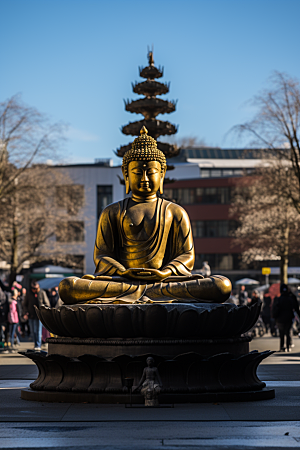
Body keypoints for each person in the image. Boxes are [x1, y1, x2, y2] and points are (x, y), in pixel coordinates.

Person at [59, 127, 232, 305]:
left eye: (150, 172)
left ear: (162, 174)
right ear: (126, 175)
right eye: (137, 172)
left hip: (163, 282)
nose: (144, 178)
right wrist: (123, 271)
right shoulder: (112, 212)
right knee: (69, 286)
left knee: (221, 285)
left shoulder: (175, 212)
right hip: (123, 282)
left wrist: (165, 272)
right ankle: (148, 295)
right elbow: (102, 255)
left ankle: (147, 294)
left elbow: (187, 255)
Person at [23, 281, 50, 351]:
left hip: (39, 316)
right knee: (33, 331)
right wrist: (26, 312)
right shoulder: (29, 294)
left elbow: (47, 304)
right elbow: (24, 304)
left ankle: (38, 345)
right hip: (31, 315)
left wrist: (43, 309)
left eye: (36, 288)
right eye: (34, 288)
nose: (35, 290)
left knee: (38, 331)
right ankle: (36, 344)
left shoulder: (42, 293)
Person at [272, 283, 300, 352]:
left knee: (281, 333)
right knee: (288, 332)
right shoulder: (290, 299)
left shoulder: (278, 299)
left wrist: (274, 318)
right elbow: (296, 307)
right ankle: (288, 346)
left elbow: (275, 309)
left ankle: (282, 347)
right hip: (289, 317)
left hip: (280, 319)